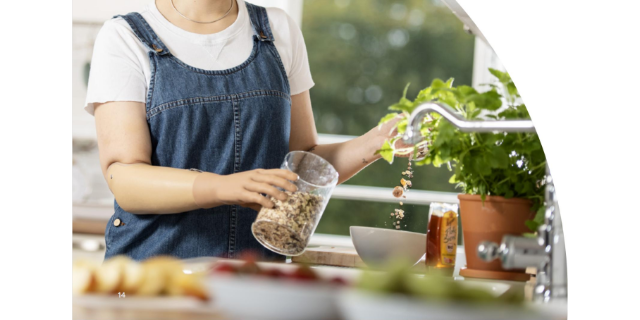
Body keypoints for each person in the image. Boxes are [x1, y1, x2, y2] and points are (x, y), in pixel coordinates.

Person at [86, 0, 403, 261]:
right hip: (156, 275)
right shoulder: (124, 37)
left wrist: (377, 143)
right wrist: (223, 187)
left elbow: (303, 164)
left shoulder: (279, 30)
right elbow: (124, 178)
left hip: (257, 278)